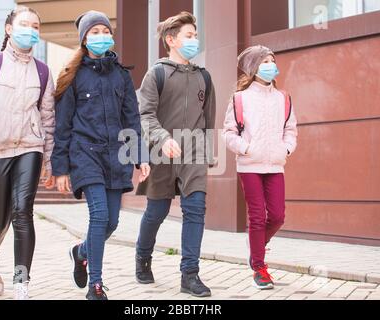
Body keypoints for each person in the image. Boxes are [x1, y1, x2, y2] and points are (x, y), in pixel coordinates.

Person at [51, 10, 150, 301]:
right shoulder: (74, 76)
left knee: (112, 223)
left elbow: (132, 120)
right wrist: (60, 169)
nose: (101, 37)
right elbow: (63, 125)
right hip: (85, 154)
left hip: (115, 156)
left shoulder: (121, 75)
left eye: (105, 32)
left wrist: (140, 156)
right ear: (83, 39)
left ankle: (80, 253)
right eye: (94, 33)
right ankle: (96, 285)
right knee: (99, 216)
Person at [0, 6, 55, 299]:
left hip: (30, 146)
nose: (30, 30)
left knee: (22, 212)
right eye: (24, 24)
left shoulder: (43, 71)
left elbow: (48, 120)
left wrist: (49, 160)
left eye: (36, 26)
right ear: (9, 29)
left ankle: (21, 282)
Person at [135, 11, 216, 298]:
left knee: (195, 210)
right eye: (189, 36)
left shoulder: (204, 77)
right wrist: (162, 138)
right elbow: (144, 115)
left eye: (196, 35)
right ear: (171, 40)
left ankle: (189, 274)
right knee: (156, 211)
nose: (195, 40)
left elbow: (208, 119)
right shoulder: (156, 73)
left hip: (193, 153)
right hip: (162, 153)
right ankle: (143, 256)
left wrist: (208, 155)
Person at [222, 45, 298, 290]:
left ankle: (255, 248)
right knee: (257, 216)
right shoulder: (240, 99)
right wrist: (246, 149)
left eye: (272, 60)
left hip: (275, 165)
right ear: (253, 68)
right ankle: (259, 267)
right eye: (264, 61)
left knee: (277, 216)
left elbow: (291, 130)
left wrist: (285, 148)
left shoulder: (283, 98)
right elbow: (229, 133)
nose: (270, 65)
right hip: (249, 165)